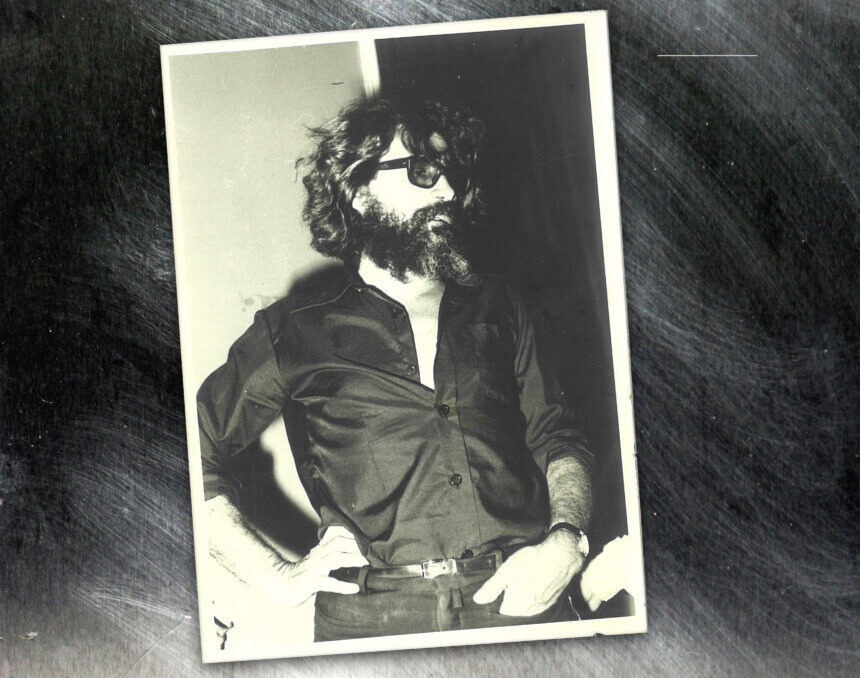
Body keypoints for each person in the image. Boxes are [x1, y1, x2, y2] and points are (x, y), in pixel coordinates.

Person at [198, 97, 594, 642]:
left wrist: (568, 539)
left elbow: (559, 439)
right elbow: (188, 452)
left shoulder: (503, 305)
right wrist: (276, 577)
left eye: (451, 173)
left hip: (522, 601)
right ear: (358, 192)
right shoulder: (294, 329)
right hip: (372, 623)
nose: (448, 191)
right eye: (423, 170)